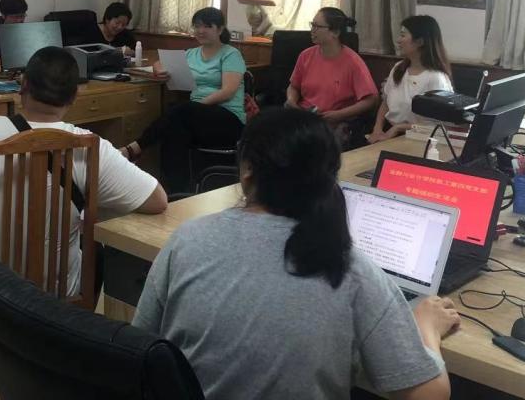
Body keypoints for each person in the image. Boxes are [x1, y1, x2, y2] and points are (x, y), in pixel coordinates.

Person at [133, 107, 460, 400]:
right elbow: (429, 395)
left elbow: (139, 346)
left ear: (247, 169)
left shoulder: (187, 239)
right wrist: (426, 328)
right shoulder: (350, 269)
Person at [0, 46, 168, 395]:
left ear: (22, 85)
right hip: (55, 294)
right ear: (74, 96)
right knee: (94, 252)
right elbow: (157, 200)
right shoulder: (89, 146)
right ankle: (64, 345)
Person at [120, 8, 246, 195]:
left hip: (228, 119)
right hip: (195, 118)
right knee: (174, 131)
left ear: (220, 29)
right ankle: (177, 193)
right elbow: (159, 63)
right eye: (197, 26)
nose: (200, 31)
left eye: (207, 26)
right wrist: (159, 69)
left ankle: (136, 148)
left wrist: (196, 106)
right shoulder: (191, 54)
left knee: (180, 111)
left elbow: (228, 91)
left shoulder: (231, 54)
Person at [287, 7, 378, 149]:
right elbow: (293, 86)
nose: (312, 30)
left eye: (317, 26)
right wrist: (291, 101)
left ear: (335, 32)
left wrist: (339, 114)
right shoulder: (305, 56)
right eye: (312, 25)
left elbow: (371, 99)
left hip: (334, 123)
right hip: (305, 117)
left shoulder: (353, 61)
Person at [368, 16, 453, 144]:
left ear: (420, 42)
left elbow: (439, 125)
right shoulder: (398, 68)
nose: (398, 40)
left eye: (403, 35)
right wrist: (377, 129)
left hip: (419, 138)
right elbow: (385, 102)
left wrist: (398, 128)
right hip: (390, 132)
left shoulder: (436, 78)